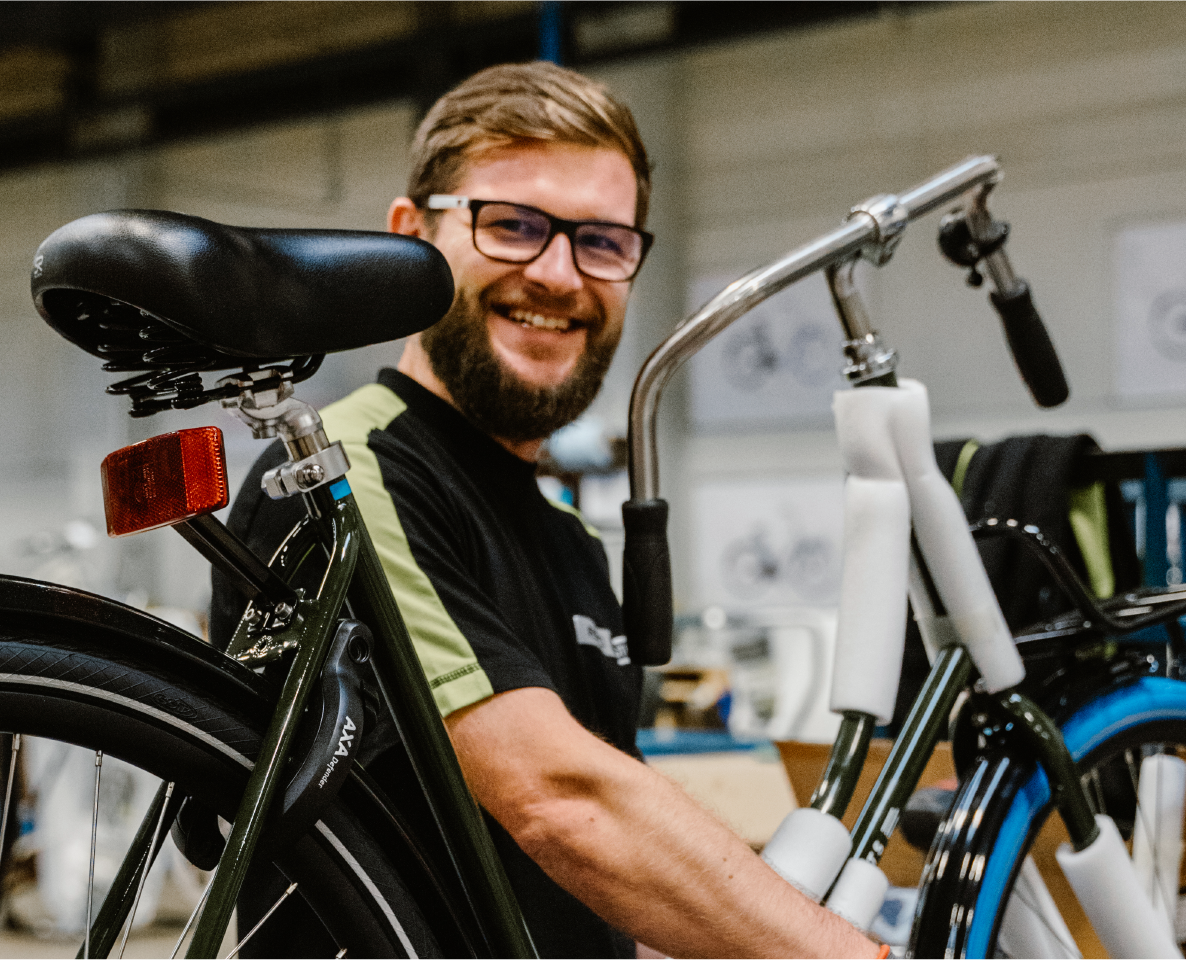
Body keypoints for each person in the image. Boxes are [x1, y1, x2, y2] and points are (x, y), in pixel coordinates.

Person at [212, 62, 881, 959]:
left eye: (600, 241)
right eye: (512, 225)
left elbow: (593, 886)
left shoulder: (568, 537)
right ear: (411, 238)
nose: (559, 276)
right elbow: (558, 801)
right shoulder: (343, 472)